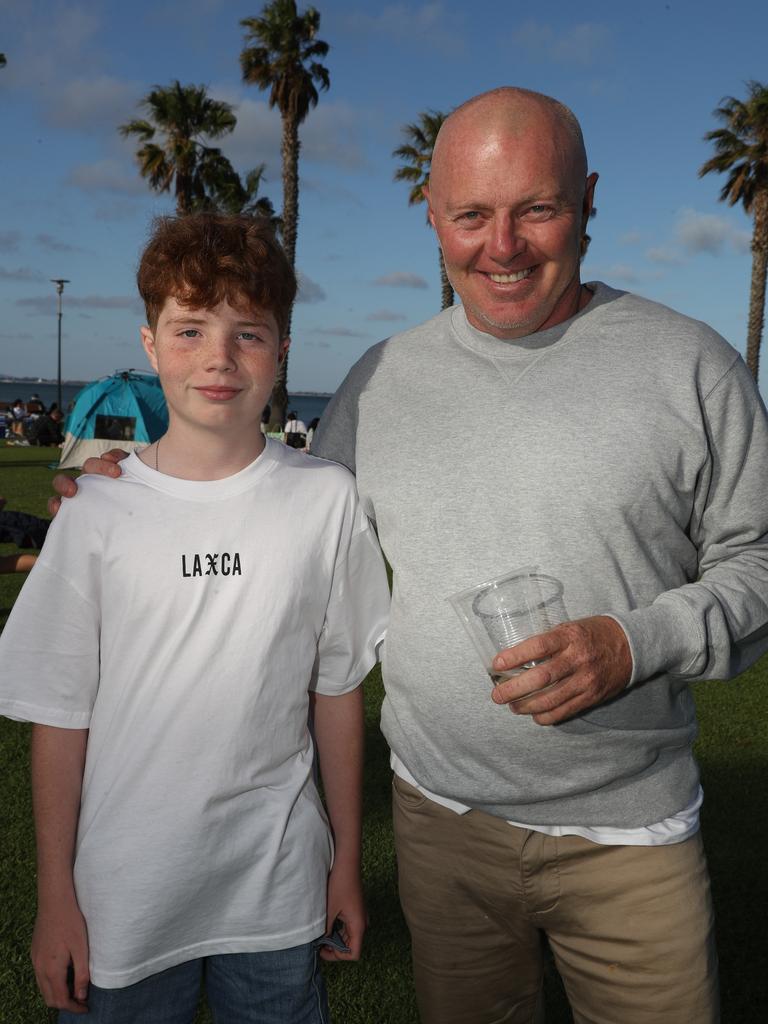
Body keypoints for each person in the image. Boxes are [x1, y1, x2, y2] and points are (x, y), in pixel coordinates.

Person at [50, 87, 768, 1023]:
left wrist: (638, 644)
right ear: (432, 216)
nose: (501, 246)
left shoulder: (692, 364)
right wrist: (128, 477)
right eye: (471, 214)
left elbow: (756, 561)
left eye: (537, 209)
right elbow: (264, 504)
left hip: (633, 835)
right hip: (440, 829)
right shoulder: (380, 381)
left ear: (589, 201)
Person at [3, 212, 389, 1023]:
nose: (218, 358)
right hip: (122, 902)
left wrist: (347, 860)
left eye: (248, 333)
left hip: (276, 895)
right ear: (150, 347)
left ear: (281, 350)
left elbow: (337, 693)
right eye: (189, 330)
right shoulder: (95, 508)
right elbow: (61, 717)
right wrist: (55, 898)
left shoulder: (326, 500)